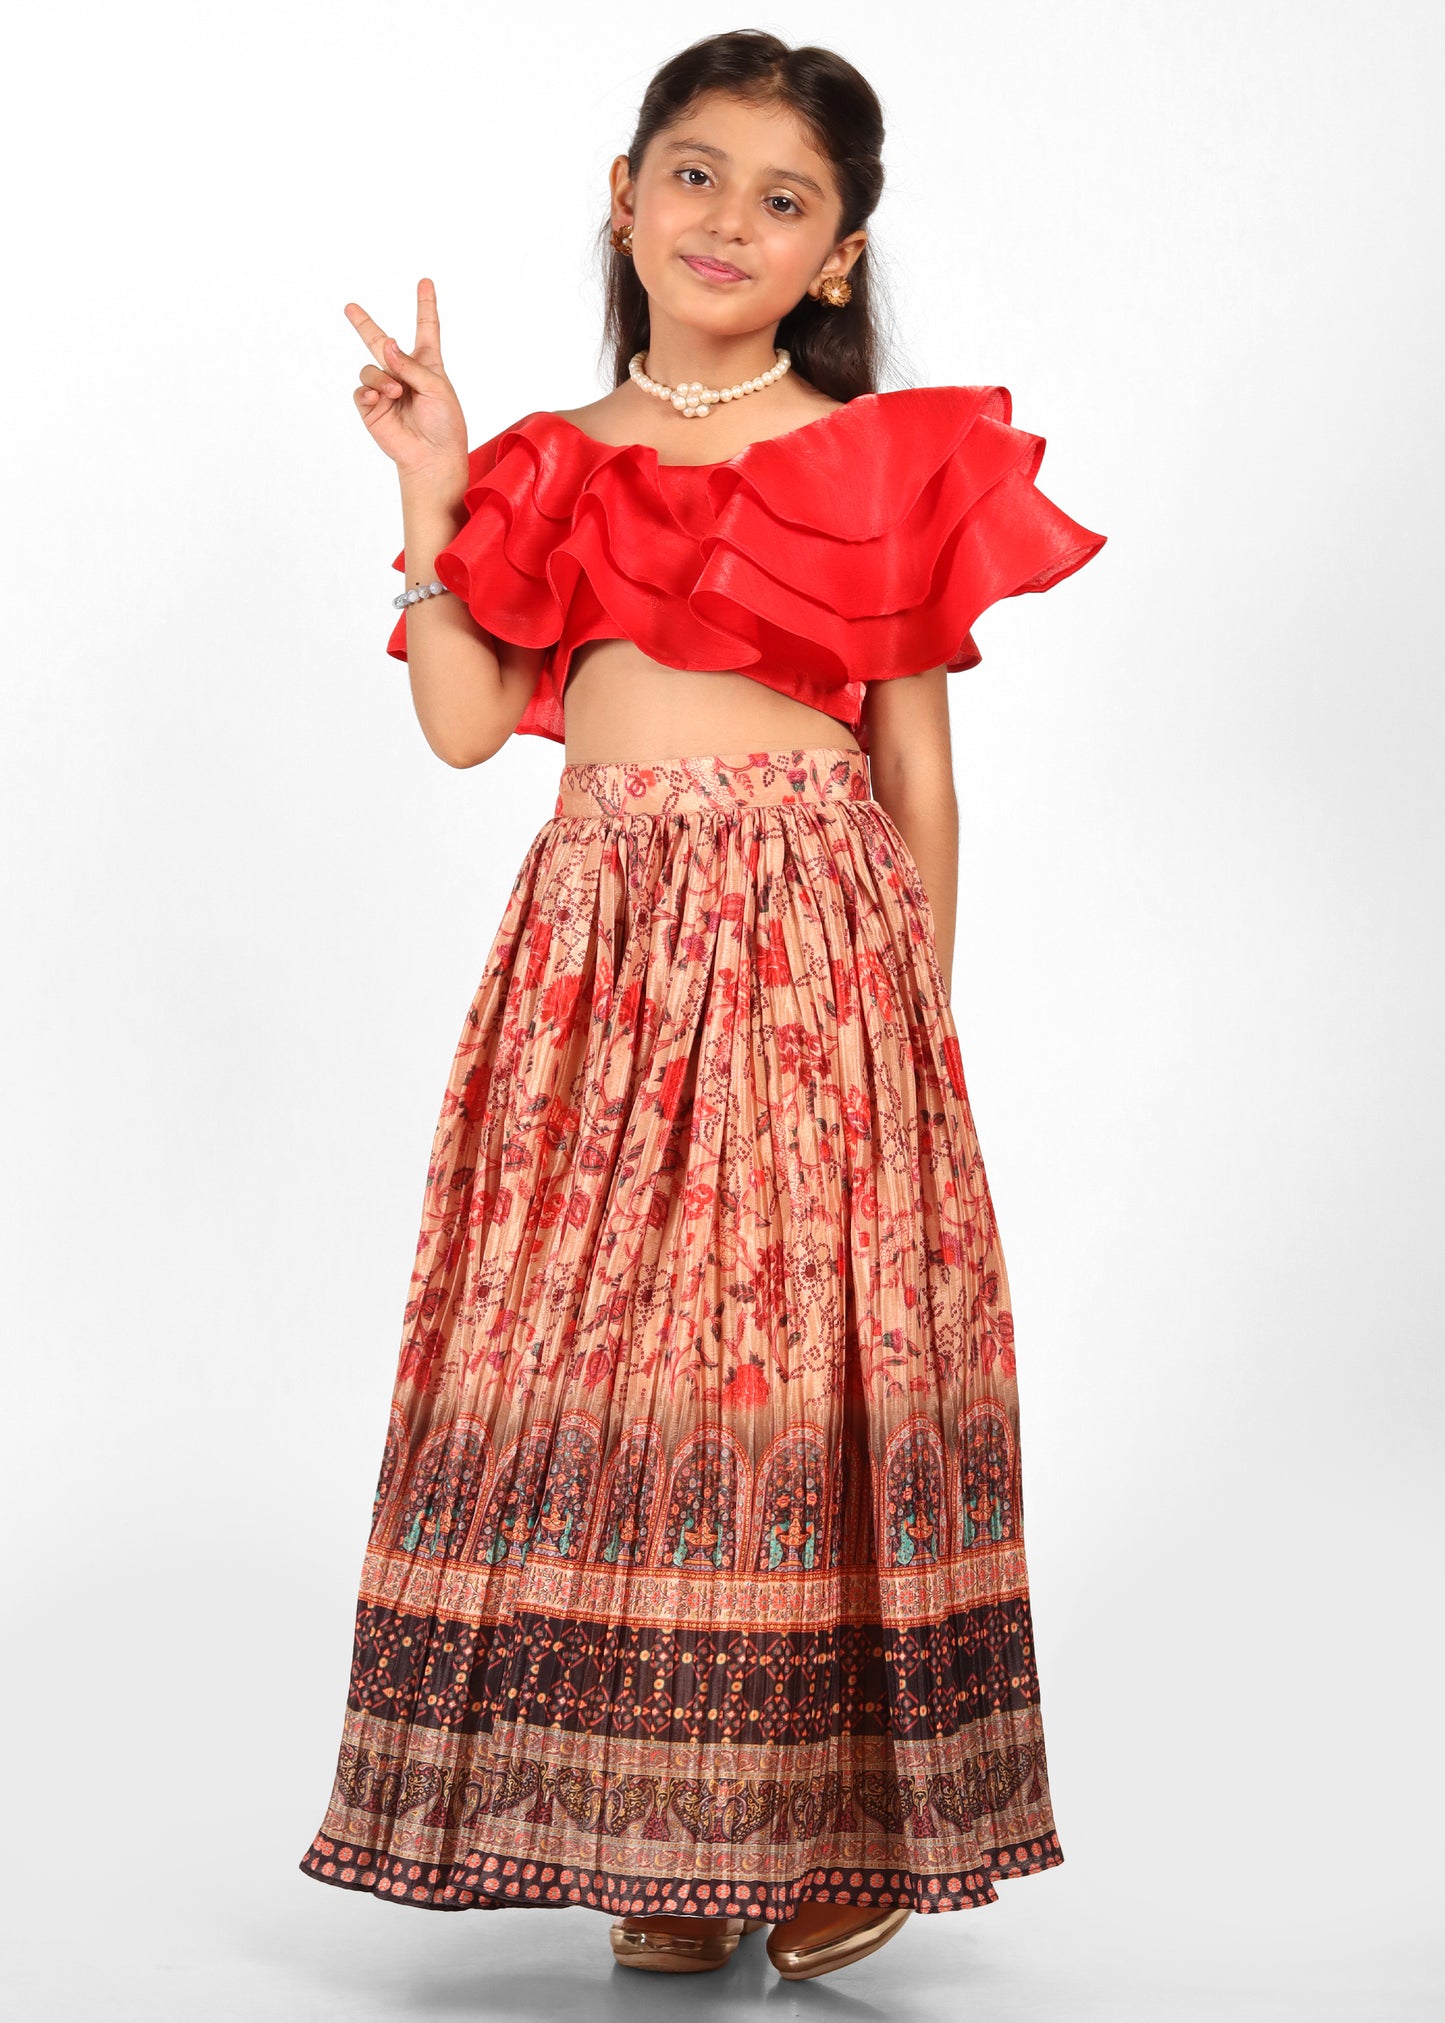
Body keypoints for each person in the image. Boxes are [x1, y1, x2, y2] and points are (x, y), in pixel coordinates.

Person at [298, 28, 1105, 1984]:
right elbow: (471, 722)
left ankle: (830, 1820)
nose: (728, 217)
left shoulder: (880, 457)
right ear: (624, 195)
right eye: (696, 172)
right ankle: (655, 1821)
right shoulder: (544, 462)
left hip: (808, 928)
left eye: (784, 196)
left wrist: (909, 1017)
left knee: (785, 1374)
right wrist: (431, 487)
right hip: (598, 941)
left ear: (835, 258)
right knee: (603, 1375)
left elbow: (917, 768)